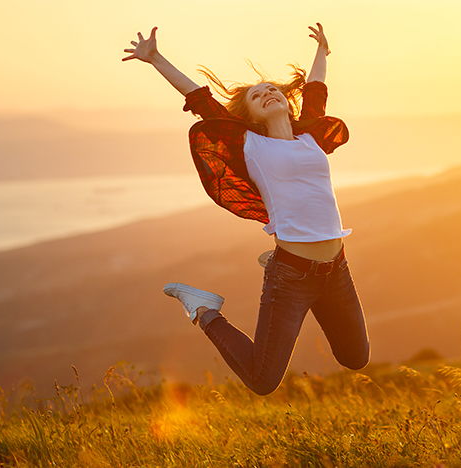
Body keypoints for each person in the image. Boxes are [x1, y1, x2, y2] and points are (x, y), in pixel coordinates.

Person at [122, 24, 369, 395]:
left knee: (356, 358)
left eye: (272, 89)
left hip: (337, 269)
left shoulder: (310, 135)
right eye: (257, 95)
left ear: (286, 99)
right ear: (250, 115)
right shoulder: (249, 144)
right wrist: (156, 58)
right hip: (292, 277)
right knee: (263, 380)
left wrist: (323, 52)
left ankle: (273, 257)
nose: (268, 93)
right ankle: (203, 310)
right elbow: (199, 100)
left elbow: (316, 89)